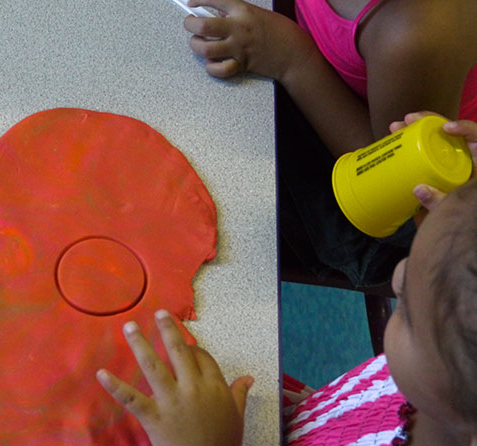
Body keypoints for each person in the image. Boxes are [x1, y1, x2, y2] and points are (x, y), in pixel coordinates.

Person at [96, 119, 477, 446]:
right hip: (299, 429)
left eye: (407, 314)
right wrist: (453, 231)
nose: (396, 277)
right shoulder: (453, 379)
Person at [180, 0, 477, 288]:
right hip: (318, 72)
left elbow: (383, 176)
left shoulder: (416, 33)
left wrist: (293, 60)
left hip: (395, 197)